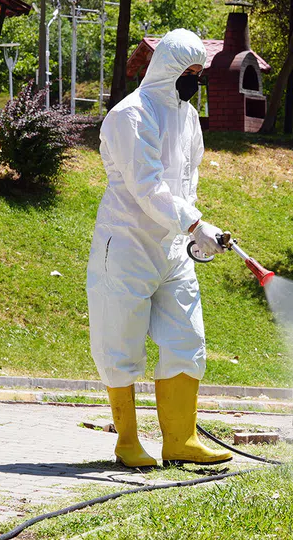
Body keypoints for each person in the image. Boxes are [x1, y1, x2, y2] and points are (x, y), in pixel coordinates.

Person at [86, 28, 232, 468]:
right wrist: (194, 223)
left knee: (187, 338)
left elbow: (187, 179)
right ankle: (128, 441)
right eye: (189, 72)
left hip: (172, 248)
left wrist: (196, 229)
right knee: (121, 341)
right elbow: (148, 187)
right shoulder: (130, 115)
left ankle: (180, 440)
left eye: (199, 73)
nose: (194, 81)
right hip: (127, 243)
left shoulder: (186, 116)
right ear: (167, 68)